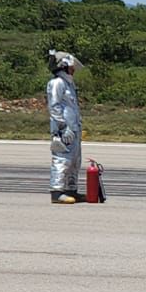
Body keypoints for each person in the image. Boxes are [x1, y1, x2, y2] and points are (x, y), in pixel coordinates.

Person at [46, 50, 84, 204]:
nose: (73, 70)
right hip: (63, 130)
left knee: (75, 161)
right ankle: (57, 191)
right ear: (64, 67)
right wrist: (62, 127)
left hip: (73, 128)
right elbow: (54, 106)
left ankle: (71, 190)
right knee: (62, 159)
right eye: (71, 67)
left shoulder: (69, 84)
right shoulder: (57, 83)